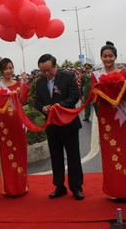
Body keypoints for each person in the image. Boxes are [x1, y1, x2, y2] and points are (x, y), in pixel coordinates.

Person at [92, 43, 126, 203]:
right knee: (110, 153)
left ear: (115, 56)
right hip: (106, 117)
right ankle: (114, 189)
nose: (108, 59)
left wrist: (122, 89)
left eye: (110, 56)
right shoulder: (96, 75)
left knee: (125, 150)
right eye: (105, 56)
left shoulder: (123, 73)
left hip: (122, 116)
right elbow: (94, 97)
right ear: (101, 57)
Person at [35, 54, 84, 200]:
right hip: (52, 125)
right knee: (56, 157)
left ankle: (76, 187)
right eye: (43, 71)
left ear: (55, 66)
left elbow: (74, 96)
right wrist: (43, 108)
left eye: (49, 70)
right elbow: (37, 102)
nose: (46, 73)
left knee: (73, 157)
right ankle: (59, 186)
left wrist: (59, 106)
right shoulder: (40, 83)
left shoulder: (67, 77)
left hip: (69, 124)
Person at [0, 58, 29, 196]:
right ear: (1, 70)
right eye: (6, 68)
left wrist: (24, 84)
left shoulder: (19, 84)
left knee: (20, 152)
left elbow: (23, 100)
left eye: (11, 68)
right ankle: (10, 187)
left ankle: (21, 185)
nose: (9, 71)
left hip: (18, 121)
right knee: (7, 154)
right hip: (4, 123)